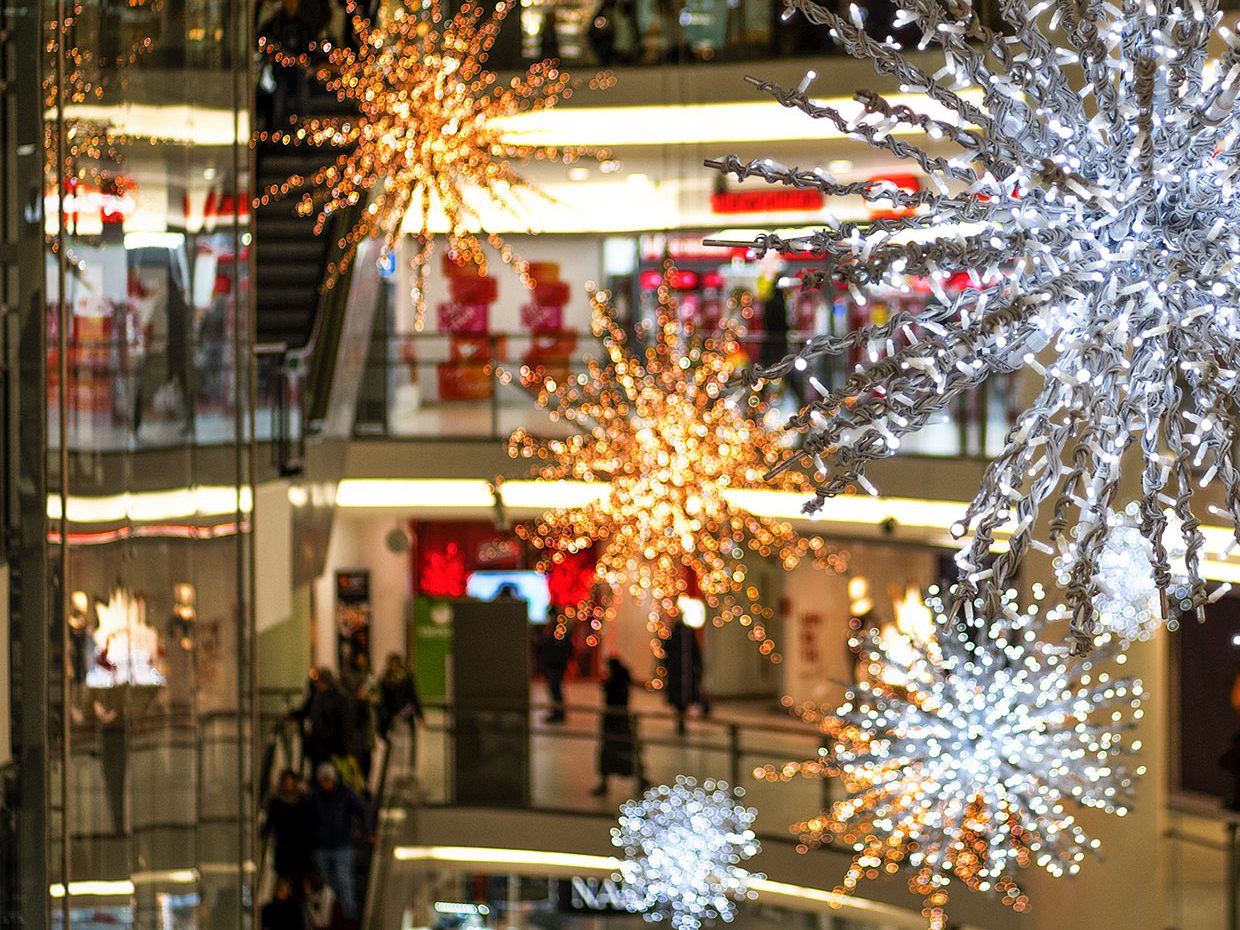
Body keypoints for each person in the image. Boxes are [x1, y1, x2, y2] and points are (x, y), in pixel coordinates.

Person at [311, 763, 371, 922]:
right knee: (329, 882)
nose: (326, 784)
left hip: (342, 845)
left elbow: (362, 809)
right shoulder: (316, 797)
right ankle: (337, 911)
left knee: (345, 880)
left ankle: (349, 915)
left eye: (328, 780)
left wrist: (367, 831)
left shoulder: (345, 794)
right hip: (323, 846)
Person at [591, 656, 643, 796]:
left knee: (611, 750)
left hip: (614, 720)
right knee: (627, 751)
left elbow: (611, 694)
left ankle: (606, 784)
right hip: (620, 719)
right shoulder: (622, 681)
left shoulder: (615, 683)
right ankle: (640, 778)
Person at [259, 0, 314, 129]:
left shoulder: (303, 24)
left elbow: (310, 47)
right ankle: (277, 133)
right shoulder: (276, 23)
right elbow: (263, 39)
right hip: (281, 71)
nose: (291, 5)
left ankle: (304, 130)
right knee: (279, 98)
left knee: (303, 96)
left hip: (298, 71)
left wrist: (304, 61)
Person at [263, 769, 318, 884]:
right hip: (283, 848)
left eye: (291, 782)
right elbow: (270, 821)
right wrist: (265, 832)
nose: (288, 785)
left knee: (299, 880)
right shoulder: (276, 802)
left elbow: (310, 824)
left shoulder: (303, 802)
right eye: (286, 782)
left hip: (300, 848)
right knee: (283, 880)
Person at [296, 669, 351, 772]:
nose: (317, 685)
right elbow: (304, 712)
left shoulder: (338, 700)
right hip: (317, 747)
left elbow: (344, 725)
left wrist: (342, 748)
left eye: (319, 682)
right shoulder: (316, 698)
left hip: (332, 747)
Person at [340, 651, 378, 782]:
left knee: (367, 752)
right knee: (353, 753)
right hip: (351, 719)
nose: (361, 660)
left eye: (364, 658)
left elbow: (377, 696)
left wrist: (368, 697)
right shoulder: (346, 675)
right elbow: (343, 694)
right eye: (359, 657)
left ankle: (365, 780)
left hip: (366, 720)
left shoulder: (369, 676)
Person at [662, 616, 703, 735]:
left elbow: (666, 655)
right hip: (682, 674)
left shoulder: (675, 636)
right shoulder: (686, 636)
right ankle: (681, 720)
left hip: (680, 674)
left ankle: (681, 720)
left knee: (681, 698)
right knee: (682, 698)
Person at [377, 653, 423, 740]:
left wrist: (419, 715)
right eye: (391, 664)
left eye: (395, 663)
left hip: (405, 715)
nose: (392, 666)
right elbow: (382, 699)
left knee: (405, 741)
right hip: (390, 717)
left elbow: (413, 697)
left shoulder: (407, 678)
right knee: (391, 743)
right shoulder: (385, 679)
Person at [540, 618, 574, 724]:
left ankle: (558, 714)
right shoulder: (557, 635)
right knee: (555, 690)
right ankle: (557, 713)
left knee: (555, 690)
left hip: (556, 666)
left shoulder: (558, 636)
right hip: (554, 665)